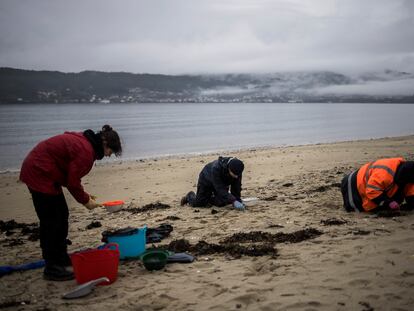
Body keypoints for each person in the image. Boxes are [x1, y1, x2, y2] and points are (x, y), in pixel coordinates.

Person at [20, 125, 122, 281]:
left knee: (62, 215)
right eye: (111, 152)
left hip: (48, 173)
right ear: (105, 144)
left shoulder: (87, 144)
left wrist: (85, 196)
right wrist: (85, 201)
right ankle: (52, 267)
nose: (109, 156)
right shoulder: (86, 152)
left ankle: (61, 257)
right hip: (39, 172)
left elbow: (70, 176)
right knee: (51, 222)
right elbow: (73, 182)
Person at [341, 157, 414, 213]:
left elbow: (410, 192)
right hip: (351, 183)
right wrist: (389, 203)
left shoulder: (408, 172)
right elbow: (372, 192)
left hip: (371, 183)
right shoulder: (384, 174)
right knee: (355, 209)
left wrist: (410, 204)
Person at [180, 156, 245, 211]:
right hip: (206, 180)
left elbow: (236, 187)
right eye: (234, 175)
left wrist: (238, 200)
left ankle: (209, 198)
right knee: (199, 204)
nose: (236, 177)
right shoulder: (216, 168)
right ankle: (189, 196)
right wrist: (234, 201)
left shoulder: (237, 169)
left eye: (238, 175)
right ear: (229, 169)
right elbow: (220, 189)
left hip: (221, 183)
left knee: (222, 202)